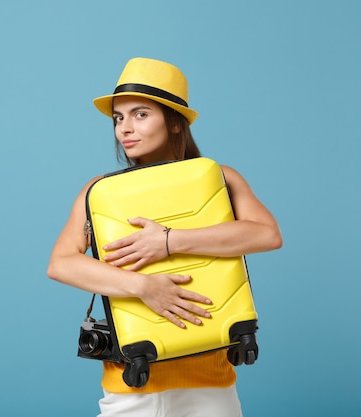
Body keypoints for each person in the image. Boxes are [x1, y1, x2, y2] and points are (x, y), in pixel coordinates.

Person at [47, 57, 282, 417]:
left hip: (211, 381)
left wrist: (170, 241)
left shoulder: (220, 178)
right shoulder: (99, 191)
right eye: (119, 118)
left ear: (175, 124)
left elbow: (266, 234)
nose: (125, 128)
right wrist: (143, 287)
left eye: (141, 114)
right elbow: (61, 263)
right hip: (133, 382)